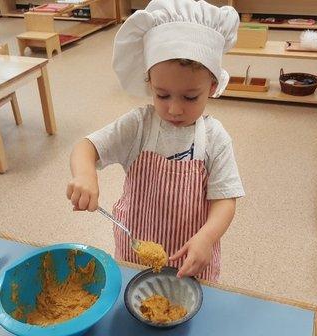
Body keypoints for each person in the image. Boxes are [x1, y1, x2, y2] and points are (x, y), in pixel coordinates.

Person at [66, 0, 244, 282]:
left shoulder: (214, 138)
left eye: (189, 97)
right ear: (149, 81)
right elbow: (85, 148)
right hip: (136, 251)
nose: (174, 109)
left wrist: (207, 237)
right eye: (162, 95)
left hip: (191, 256)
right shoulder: (138, 125)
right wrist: (86, 175)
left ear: (211, 87)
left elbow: (225, 200)